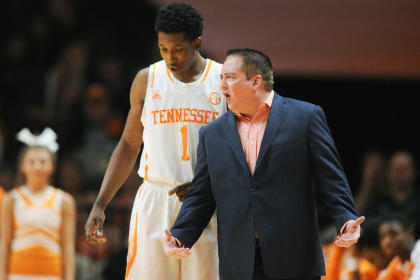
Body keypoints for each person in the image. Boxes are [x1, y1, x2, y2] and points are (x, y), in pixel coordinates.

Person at [163, 48, 364, 280]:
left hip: (294, 257)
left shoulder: (306, 116)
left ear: (255, 82)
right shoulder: (212, 133)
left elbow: (331, 178)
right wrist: (180, 235)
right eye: (221, 78)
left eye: (230, 77)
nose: (222, 86)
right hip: (239, 261)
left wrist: (346, 219)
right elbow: (201, 194)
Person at [84, 2, 226, 280]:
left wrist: (206, 185)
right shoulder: (146, 80)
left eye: (178, 49)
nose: (170, 57)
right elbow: (128, 145)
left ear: (196, 42)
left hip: (207, 202)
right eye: (164, 49)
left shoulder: (223, 79)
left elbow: (243, 148)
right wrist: (101, 203)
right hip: (156, 199)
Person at [0, 127, 76, 280]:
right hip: (17, 273)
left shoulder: (64, 200)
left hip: (52, 273)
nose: (37, 167)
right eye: (32, 161)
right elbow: (4, 244)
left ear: (52, 167)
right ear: (22, 166)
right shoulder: (11, 199)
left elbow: (68, 248)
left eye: (43, 161)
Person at [377, 212, 420, 280]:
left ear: (409, 234)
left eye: (393, 234)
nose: (387, 242)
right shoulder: (396, 263)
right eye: (383, 237)